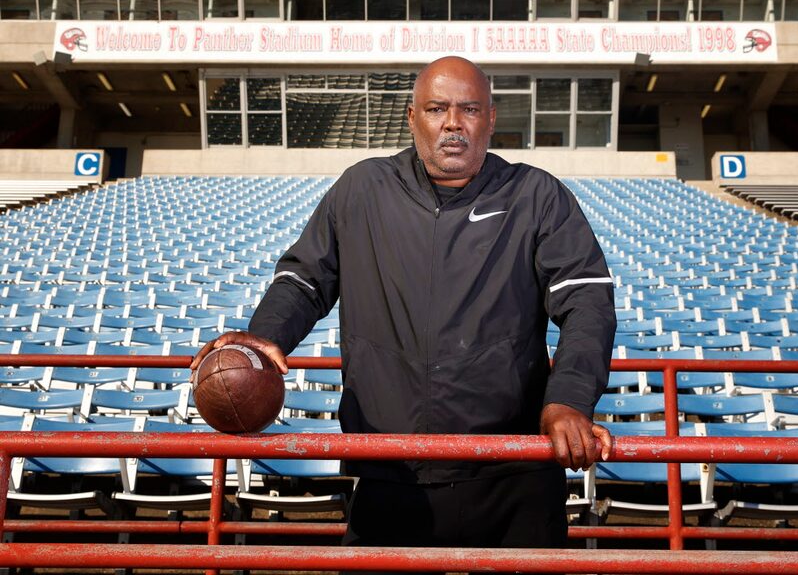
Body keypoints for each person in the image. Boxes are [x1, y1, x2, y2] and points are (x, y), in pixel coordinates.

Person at [191, 56, 616, 552]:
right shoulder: (362, 189)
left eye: (469, 109)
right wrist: (265, 337)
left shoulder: (536, 194)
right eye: (437, 109)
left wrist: (568, 399)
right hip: (390, 471)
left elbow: (587, 299)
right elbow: (304, 279)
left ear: (492, 119)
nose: (453, 123)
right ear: (412, 118)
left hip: (511, 470)